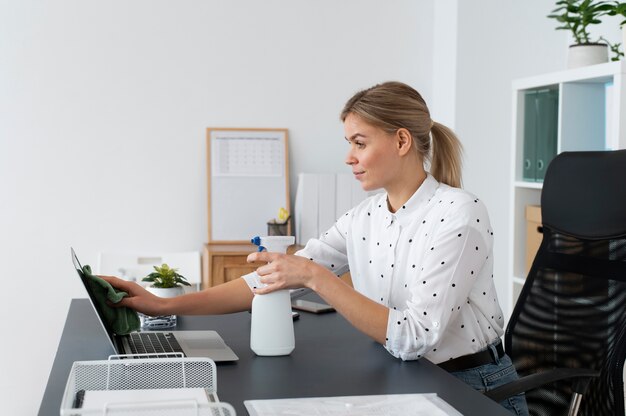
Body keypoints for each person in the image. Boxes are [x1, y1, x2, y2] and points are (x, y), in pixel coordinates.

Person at [103, 81, 528, 415]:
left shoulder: (459, 213)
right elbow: (271, 279)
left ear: (401, 142)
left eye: (359, 143)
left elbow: (413, 337)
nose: (349, 157)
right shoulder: (365, 216)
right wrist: (161, 306)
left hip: (472, 390)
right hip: (407, 379)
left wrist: (315, 277)